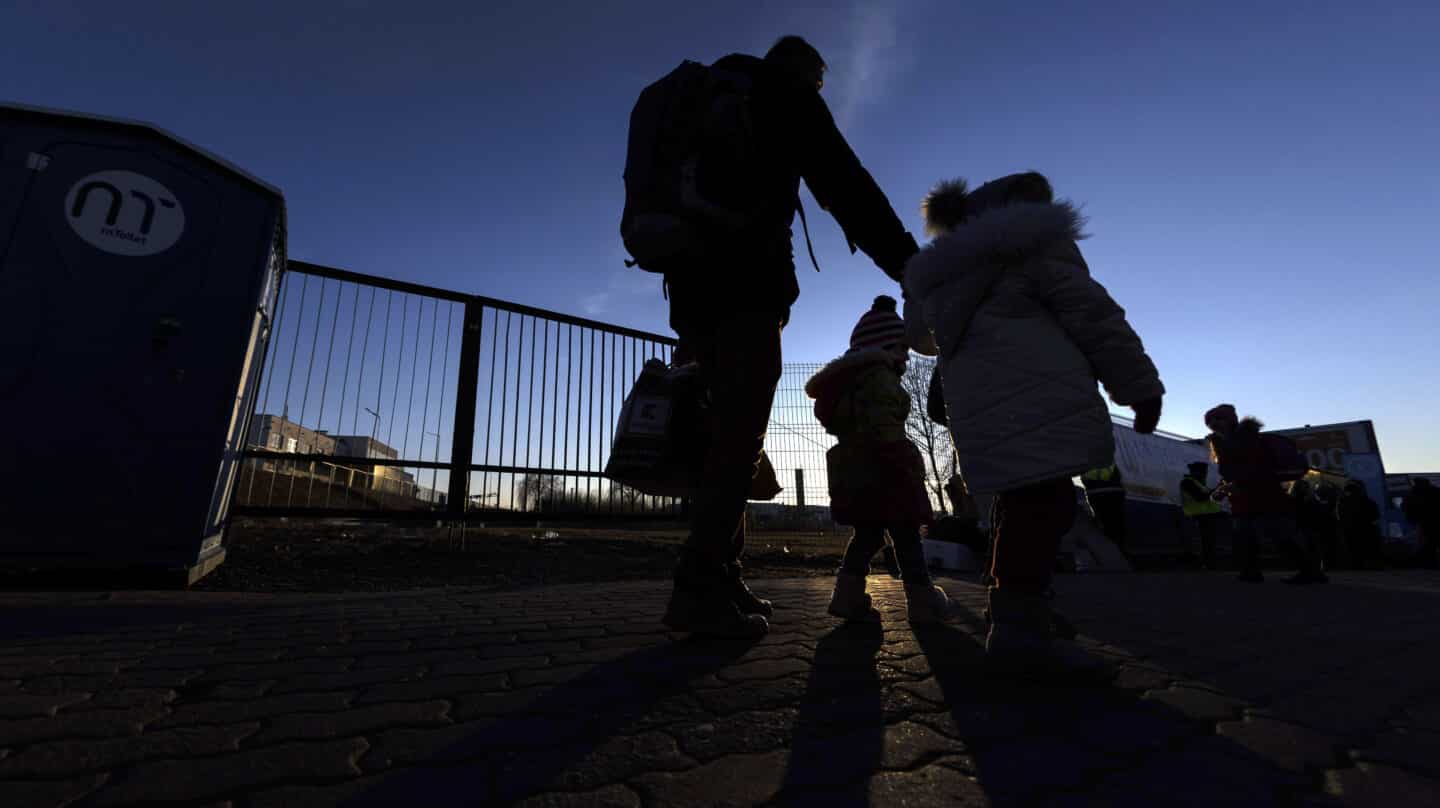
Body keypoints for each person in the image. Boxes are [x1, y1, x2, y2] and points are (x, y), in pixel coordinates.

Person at [645, 36, 922, 638]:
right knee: (739, 434)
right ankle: (697, 588)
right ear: (809, 73)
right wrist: (912, 267)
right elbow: (846, 185)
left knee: (727, 433)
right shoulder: (783, 94)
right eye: (820, 84)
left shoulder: (702, 97)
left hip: (689, 289)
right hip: (744, 285)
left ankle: (720, 573)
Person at [903, 172, 1164, 679]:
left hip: (979, 411)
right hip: (1044, 399)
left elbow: (921, 337)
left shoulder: (941, 278)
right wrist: (1138, 385)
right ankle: (1019, 627)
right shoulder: (1037, 251)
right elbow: (1094, 316)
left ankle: (1021, 608)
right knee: (1046, 504)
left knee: (1018, 505)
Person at [806, 296, 958, 624]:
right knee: (906, 534)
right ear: (886, 346)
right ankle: (922, 599)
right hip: (887, 469)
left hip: (856, 468)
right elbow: (885, 428)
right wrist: (906, 462)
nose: (906, 356)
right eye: (902, 348)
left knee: (868, 534)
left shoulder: (849, 382)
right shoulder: (878, 377)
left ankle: (847, 595)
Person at [1204, 404, 1326, 584]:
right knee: (1247, 536)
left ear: (1231, 420)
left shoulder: (1247, 440)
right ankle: (1251, 572)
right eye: (1210, 421)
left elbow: (1259, 469)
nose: (1214, 423)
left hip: (1265, 497)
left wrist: (1238, 484)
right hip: (1243, 500)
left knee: (1279, 536)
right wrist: (1223, 488)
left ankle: (1310, 571)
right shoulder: (1222, 443)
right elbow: (1232, 474)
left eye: (1219, 418)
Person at [1179, 461, 1224, 569]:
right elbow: (1201, 497)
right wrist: (1218, 488)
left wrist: (1222, 490)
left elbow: (1211, 498)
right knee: (1202, 543)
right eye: (1203, 472)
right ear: (1196, 472)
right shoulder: (1187, 483)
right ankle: (1202, 564)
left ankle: (1208, 563)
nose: (1205, 474)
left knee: (1208, 543)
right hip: (1197, 518)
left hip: (1206, 518)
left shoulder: (1201, 485)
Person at [1080, 464, 1128, 553]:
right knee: (1118, 524)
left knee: (1103, 523)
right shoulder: (1109, 458)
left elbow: (1084, 479)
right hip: (1114, 491)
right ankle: (1120, 551)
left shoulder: (1086, 461)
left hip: (1095, 493)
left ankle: (1108, 550)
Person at [1336, 480, 1381, 570]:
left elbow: (1340, 516)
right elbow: (1375, 515)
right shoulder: (1367, 500)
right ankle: (1368, 564)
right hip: (1365, 528)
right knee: (1366, 547)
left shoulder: (1342, 501)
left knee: (1353, 548)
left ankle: (1356, 565)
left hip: (1349, 528)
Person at [1403, 478, 1440, 568]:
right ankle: (1430, 561)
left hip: (1424, 520)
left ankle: (1428, 561)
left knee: (1428, 541)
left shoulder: (1413, 493)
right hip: (1431, 520)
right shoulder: (1434, 491)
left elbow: (1406, 506)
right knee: (1431, 541)